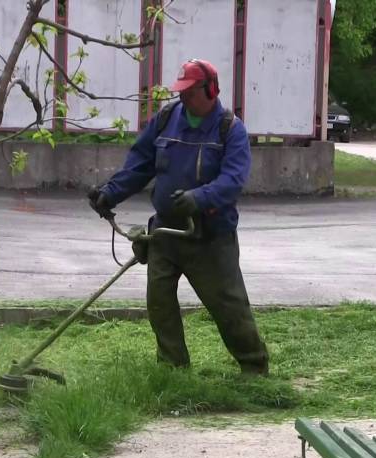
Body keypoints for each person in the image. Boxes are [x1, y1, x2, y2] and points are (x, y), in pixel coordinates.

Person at [88, 59, 269, 375]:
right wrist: (110, 193)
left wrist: (198, 199)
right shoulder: (167, 119)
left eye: (190, 92)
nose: (183, 99)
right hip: (166, 233)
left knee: (228, 306)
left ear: (210, 90)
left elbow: (233, 180)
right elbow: (141, 163)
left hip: (210, 236)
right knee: (159, 303)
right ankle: (173, 368)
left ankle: (254, 366)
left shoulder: (230, 130)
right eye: (181, 92)